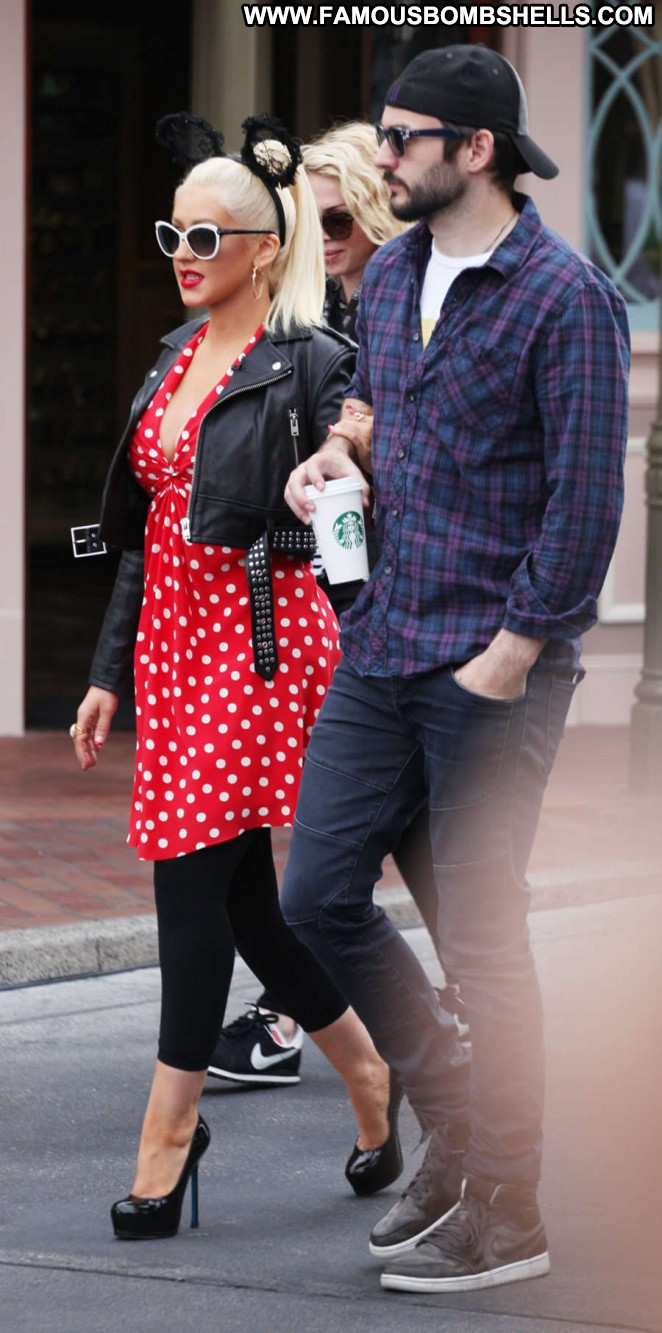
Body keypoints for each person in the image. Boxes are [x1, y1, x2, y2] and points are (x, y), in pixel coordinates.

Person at [281, 45, 630, 1294]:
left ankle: (510, 1208)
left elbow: (583, 503)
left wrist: (515, 649)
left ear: (474, 150)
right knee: (316, 894)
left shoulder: (564, 298)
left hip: (493, 660)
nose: (382, 157)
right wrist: (336, 460)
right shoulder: (392, 281)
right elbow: (382, 423)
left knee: (481, 934)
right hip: (384, 638)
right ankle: (462, 1131)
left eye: (402, 138)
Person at [70, 112, 397, 1240]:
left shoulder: (313, 361)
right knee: (248, 902)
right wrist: (108, 670)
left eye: (207, 236)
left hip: (259, 642)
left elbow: (353, 509)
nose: (183, 253)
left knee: (189, 886)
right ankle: (369, 1071)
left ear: (265, 248)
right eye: (174, 233)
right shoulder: (172, 355)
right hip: (172, 648)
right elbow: (145, 529)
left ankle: (168, 1132)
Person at [208, 121, 468, 1095]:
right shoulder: (319, 310)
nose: (319, 240)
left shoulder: (410, 303)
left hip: (420, 607)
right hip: (344, 599)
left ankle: (415, 1024)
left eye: (334, 220)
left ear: (372, 207)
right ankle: (385, 1019)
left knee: (413, 832)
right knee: (370, 835)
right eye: (303, 224)